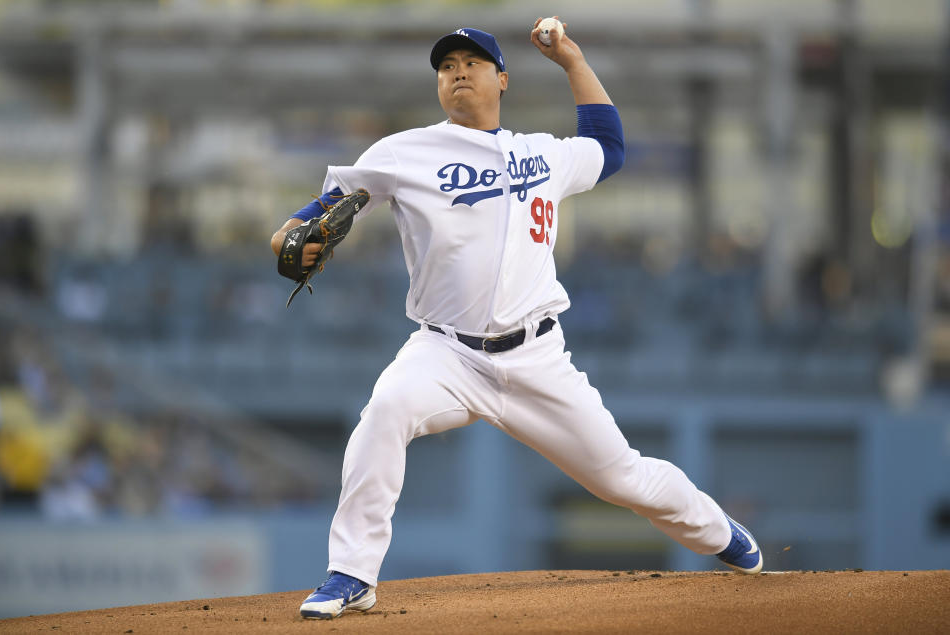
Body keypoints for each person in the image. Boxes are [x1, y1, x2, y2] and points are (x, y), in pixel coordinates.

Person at [271, 19, 763, 621]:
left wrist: (573, 61)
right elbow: (310, 217)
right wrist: (287, 239)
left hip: (536, 357)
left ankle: (722, 535)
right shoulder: (403, 153)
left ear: (501, 79)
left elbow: (608, 146)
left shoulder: (542, 155)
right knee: (386, 409)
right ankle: (352, 574)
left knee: (621, 478)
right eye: (447, 66)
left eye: (471, 63)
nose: (457, 73)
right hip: (446, 353)